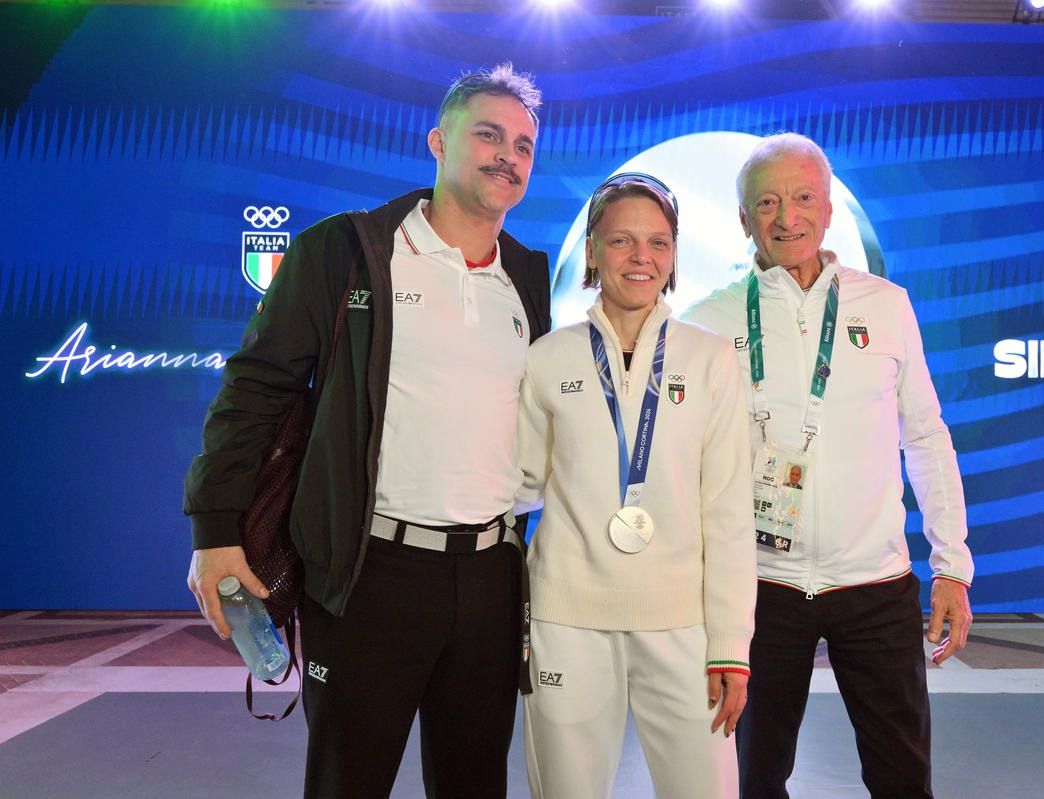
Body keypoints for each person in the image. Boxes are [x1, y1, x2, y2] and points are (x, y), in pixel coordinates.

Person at [183, 64, 551, 799]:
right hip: (367, 575)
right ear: (437, 143)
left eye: (523, 145)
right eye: (488, 135)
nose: (507, 156)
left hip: (490, 576)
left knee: (476, 785)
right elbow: (256, 389)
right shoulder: (344, 251)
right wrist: (214, 529)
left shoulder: (526, 275)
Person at [684, 133, 974, 799]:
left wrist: (951, 565)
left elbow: (926, 436)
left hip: (874, 585)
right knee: (752, 780)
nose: (787, 217)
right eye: (767, 202)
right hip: (759, 589)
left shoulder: (886, 305)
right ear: (743, 219)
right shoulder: (707, 321)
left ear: (829, 208)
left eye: (803, 198)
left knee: (902, 779)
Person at [515, 173, 756, 799]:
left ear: (674, 255)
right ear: (592, 251)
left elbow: (728, 511)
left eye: (658, 242)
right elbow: (519, 485)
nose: (640, 257)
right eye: (621, 240)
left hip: (683, 627)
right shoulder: (548, 357)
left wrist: (730, 645)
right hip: (567, 620)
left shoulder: (711, 359)